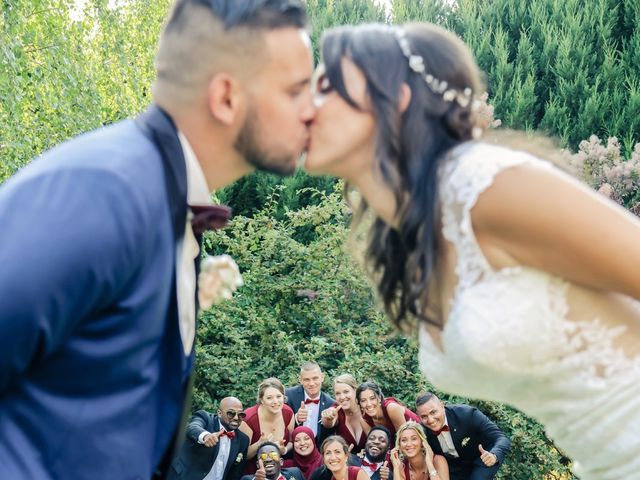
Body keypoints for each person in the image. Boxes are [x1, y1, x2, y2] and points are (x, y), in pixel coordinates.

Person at [303, 21, 640, 480]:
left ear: (395, 99)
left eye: (327, 86)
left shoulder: (485, 185)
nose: (305, 105)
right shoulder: (421, 238)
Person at [0, 1, 314, 478]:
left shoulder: (168, 206)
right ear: (227, 96)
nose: (313, 109)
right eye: (296, 90)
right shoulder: (105, 191)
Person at [416, 393, 510, 480]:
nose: (430, 420)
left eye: (433, 412)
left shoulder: (467, 414)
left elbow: (501, 438)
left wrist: (494, 455)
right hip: (455, 467)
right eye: (424, 416)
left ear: (442, 405)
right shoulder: (423, 431)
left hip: (482, 458)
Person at [168, 397, 250, 480]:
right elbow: (192, 427)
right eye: (231, 413)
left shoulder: (243, 440)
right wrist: (205, 436)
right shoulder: (205, 418)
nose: (236, 418)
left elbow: (235, 474)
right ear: (219, 413)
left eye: (240, 414)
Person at [240, 378, 296, 474]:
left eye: (279, 396)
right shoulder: (249, 419)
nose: (275, 401)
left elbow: (291, 441)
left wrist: (284, 450)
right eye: (269, 398)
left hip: (279, 469)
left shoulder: (288, 413)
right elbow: (241, 455)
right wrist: (259, 444)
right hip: (254, 470)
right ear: (262, 400)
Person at [286, 361, 336, 446]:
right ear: (300, 380)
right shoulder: (288, 396)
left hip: (318, 452)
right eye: (307, 380)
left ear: (322, 377)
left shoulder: (330, 403)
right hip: (293, 452)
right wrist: (296, 418)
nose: (312, 383)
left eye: (315, 378)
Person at [320, 374, 367, 454]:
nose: (342, 397)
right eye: (338, 393)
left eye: (346, 392)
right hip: (348, 463)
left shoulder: (366, 407)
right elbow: (328, 422)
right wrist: (327, 417)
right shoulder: (336, 409)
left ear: (355, 390)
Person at [356, 381, 420, 440]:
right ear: (360, 404)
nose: (369, 404)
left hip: (419, 438)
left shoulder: (391, 408)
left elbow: (404, 438)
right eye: (363, 400)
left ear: (379, 398)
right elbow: (374, 443)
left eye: (372, 398)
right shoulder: (364, 419)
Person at [240, 442, 305, 480]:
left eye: (273, 455)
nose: (268, 459)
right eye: (263, 456)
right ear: (257, 464)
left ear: (281, 462)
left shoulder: (296, 473)